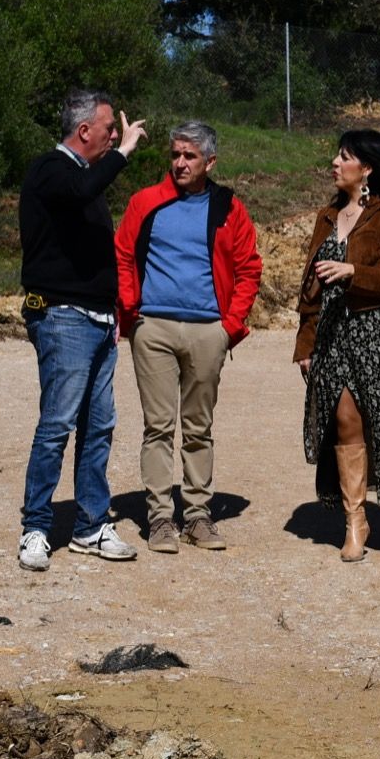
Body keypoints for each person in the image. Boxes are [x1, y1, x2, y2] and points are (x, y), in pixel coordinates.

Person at [115, 121, 263, 554]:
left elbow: (249, 267)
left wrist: (229, 327)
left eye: (189, 156)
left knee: (199, 427)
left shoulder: (228, 207)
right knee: (158, 427)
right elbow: (122, 254)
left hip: (208, 330)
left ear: (209, 162)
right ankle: (161, 518)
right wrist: (132, 314)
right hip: (153, 328)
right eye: (175, 154)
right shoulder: (145, 202)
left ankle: (198, 515)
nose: (179, 162)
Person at [16, 88, 147, 572]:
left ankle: (91, 524)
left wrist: (113, 311)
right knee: (57, 426)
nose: (115, 134)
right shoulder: (52, 172)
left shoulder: (84, 180)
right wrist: (123, 153)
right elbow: (83, 191)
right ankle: (36, 527)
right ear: (84, 131)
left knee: (100, 427)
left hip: (98, 319)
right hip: (62, 317)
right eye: (109, 128)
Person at [294, 129, 380, 563]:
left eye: (345, 157)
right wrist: (305, 344)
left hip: (379, 332)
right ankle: (356, 522)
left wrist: (354, 270)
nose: (335, 163)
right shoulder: (326, 216)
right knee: (345, 422)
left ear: (367, 168)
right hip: (334, 335)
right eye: (336, 156)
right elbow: (309, 289)